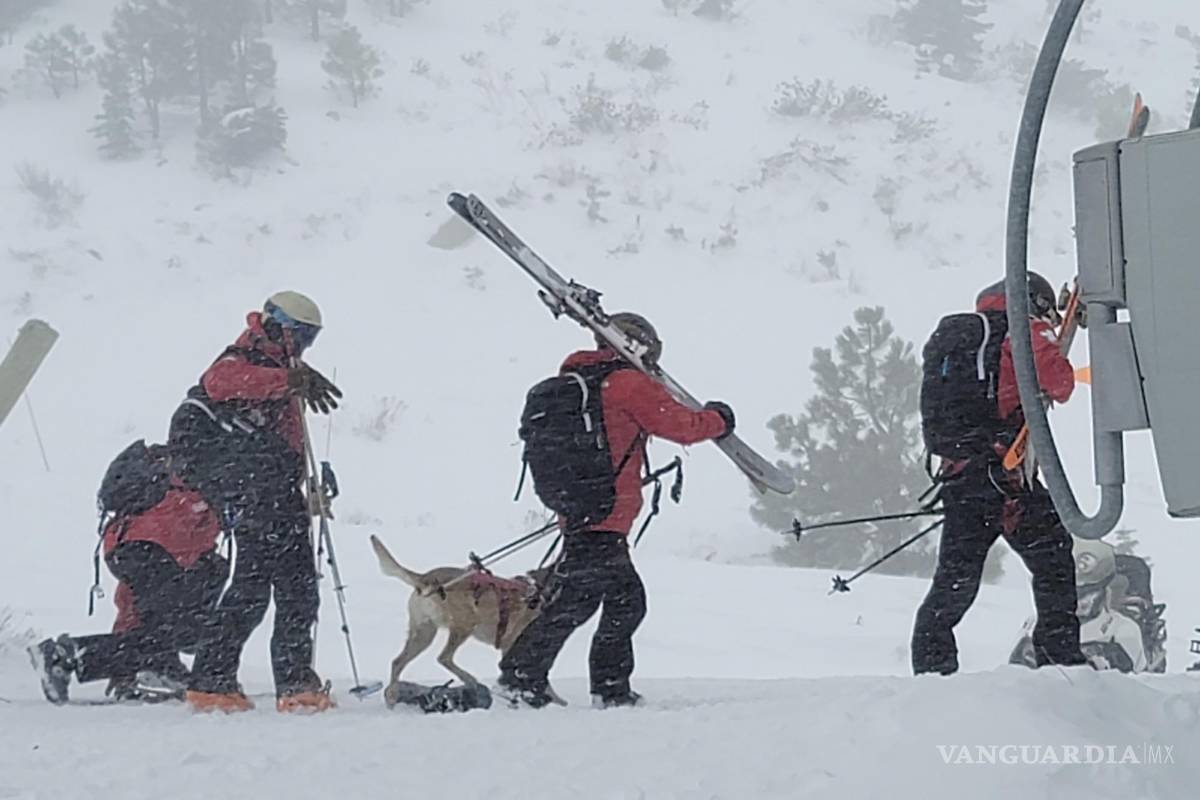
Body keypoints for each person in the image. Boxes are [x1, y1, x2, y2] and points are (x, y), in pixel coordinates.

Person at [497, 312, 736, 708]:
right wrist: (720, 419)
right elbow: (682, 425)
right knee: (626, 601)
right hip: (605, 515)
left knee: (578, 601)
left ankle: (527, 678)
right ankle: (598, 689)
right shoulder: (626, 383)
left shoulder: (581, 383)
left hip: (580, 512)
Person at [168, 291, 341, 713]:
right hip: (257, 491)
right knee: (292, 586)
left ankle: (213, 681)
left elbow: (286, 438)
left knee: (254, 588)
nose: (302, 346)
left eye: (310, 340)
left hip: (263, 490)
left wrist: (304, 484)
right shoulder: (245, 358)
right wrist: (289, 380)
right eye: (300, 336)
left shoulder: (278, 366)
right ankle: (293, 683)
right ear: (277, 325)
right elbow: (219, 382)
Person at [911, 274, 1086, 675]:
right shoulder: (1021, 331)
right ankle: (1060, 658)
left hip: (963, 476)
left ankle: (932, 670)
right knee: (1054, 557)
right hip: (1002, 478)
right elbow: (1057, 382)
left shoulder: (965, 340)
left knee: (956, 580)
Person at [29, 444, 228, 704]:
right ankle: (68, 655)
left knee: (161, 624)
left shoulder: (177, 480)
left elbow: (131, 607)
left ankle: (144, 668)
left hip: (129, 544)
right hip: (156, 546)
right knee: (177, 626)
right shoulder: (208, 481)